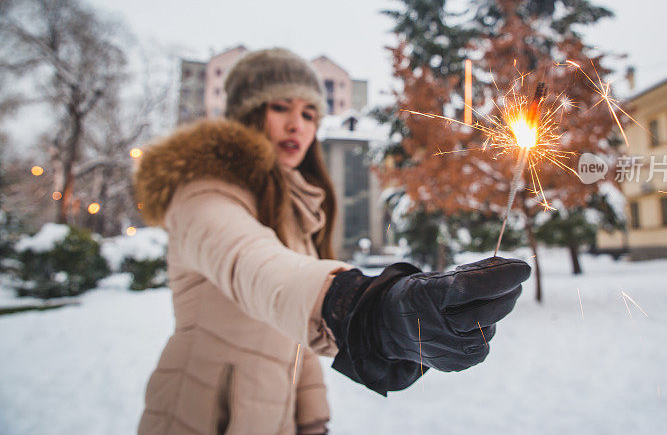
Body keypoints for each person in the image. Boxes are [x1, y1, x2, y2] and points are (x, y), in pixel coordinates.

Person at [134, 48, 530, 434]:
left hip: (273, 414)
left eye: (309, 113)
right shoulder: (202, 194)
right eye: (280, 107)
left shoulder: (294, 210)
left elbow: (292, 330)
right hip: (201, 413)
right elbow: (259, 269)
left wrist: (312, 417)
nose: (298, 125)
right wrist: (364, 307)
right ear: (245, 114)